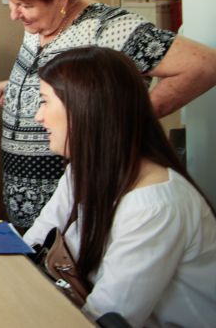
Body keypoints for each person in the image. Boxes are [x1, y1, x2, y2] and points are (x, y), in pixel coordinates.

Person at [0, 0, 216, 228]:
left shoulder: (110, 28)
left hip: (78, 206)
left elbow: (205, 66)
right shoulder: (38, 23)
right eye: (11, 2)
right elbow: (69, 80)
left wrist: (129, 116)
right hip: (26, 203)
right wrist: (21, 88)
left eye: (24, 5)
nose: (13, 14)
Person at [23, 47, 216, 326]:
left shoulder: (155, 205)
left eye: (44, 102)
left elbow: (106, 317)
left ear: (85, 107)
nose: (38, 117)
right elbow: (35, 243)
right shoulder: (82, 171)